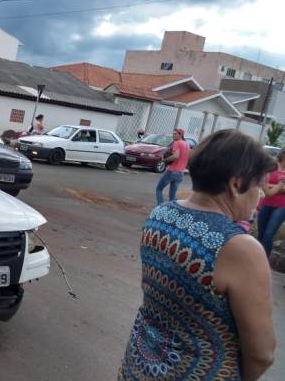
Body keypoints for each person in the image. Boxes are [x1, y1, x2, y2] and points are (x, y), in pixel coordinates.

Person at [119, 129, 276, 380]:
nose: (259, 196)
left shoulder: (160, 215)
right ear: (236, 185)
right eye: (258, 185)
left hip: (138, 366)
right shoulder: (240, 248)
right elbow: (261, 354)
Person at [257, 148, 285, 257]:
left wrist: (270, 186)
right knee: (261, 235)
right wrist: (279, 186)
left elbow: (266, 185)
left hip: (282, 206)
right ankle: (256, 259)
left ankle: (264, 261)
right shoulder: (272, 166)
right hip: (266, 203)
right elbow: (262, 184)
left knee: (268, 235)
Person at [155, 128, 190, 205]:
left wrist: (165, 160)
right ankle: (172, 210)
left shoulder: (177, 142)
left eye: (175, 134)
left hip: (172, 171)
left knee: (159, 189)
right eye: (173, 133)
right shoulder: (186, 144)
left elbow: (176, 156)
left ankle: (161, 208)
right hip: (180, 173)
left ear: (180, 135)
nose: (173, 135)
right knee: (172, 195)